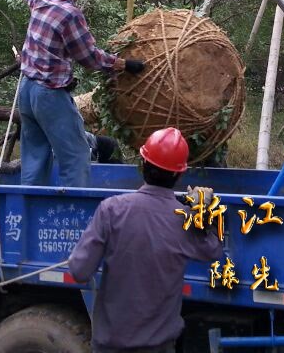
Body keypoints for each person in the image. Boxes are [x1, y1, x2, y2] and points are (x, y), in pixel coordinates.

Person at [69, 128, 222, 353]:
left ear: (143, 163)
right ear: (179, 174)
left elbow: (79, 271)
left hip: (110, 344)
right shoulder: (185, 220)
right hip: (159, 346)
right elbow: (214, 251)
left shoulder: (111, 209)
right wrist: (203, 213)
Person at [17, 0, 144, 187]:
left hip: (26, 91)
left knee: (35, 158)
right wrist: (125, 65)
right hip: (49, 95)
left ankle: (29, 213)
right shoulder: (71, 15)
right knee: (76, 156)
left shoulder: (40, 0)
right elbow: (89, 57)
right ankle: (72, 218)